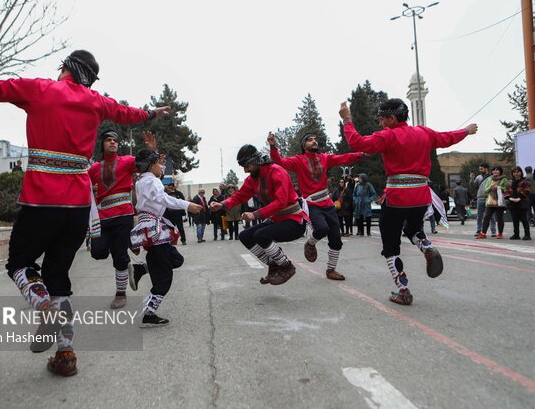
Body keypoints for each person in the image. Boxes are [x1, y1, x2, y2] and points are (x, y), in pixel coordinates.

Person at [0, 49, 170, 376]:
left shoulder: (39, 89)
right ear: (90, 78)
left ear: (66, 67)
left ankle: (44, 307)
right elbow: (128, 113)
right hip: (78, 207)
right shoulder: (95, 101)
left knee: (19, 264)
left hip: (42, 199)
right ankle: (66, 355)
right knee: (57, 276)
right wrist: (152, 112)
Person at [339, 98, 477, 305]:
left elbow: (357, 143)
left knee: (391, 246)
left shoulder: (389, 135)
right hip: (421, 195)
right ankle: (427, 247)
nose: (380, 124)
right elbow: (447, 138)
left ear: (392, 118)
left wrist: (347, 119)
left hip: (396, 196)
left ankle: (403, 289)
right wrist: (466, 130)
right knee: (414, 229)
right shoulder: (423, 132)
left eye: (382, 119)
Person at [268, 131, 363, 280]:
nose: (314, 141)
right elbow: (279, 161)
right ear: (303, 145)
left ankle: (331, 270)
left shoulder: (325, 158)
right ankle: (310, 243)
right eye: (310, 140)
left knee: (336, 239)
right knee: (321, 228)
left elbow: (343, 158)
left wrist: (361, 154)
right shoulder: (298, 160)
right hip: (312, 204)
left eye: (315, 139)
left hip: (328, 203)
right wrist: (273, 147)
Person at [210, 144, 307, 285]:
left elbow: (281, 202)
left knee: (260, 235)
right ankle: (273, 266)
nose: (245, 170)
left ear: (256, 161)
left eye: (247, 166)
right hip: (276, 220)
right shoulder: (252, 179)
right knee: (245, 236)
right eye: (243, 167)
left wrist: (255, 215)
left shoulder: (277, 171)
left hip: (294, 221)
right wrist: (222, 204)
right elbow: (239, 196)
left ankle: (287, 266)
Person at [130, 149, 202, 327]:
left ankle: (141, 269)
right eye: (158, 163)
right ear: (150, 165)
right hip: (155, 229)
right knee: (164, 276)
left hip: (152, 226)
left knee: (176, 259)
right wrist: (187, 205)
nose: (161, 166)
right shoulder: (151, 180)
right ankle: (149, 313)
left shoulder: (142, 181)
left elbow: (158, 193)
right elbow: (162, 198)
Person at [88, 130, 152, 309]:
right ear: (102, 144)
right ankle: (130, 242)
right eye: (108, 140)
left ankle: (120, 294)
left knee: (119, 256)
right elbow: (81, 183)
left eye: (115, 140)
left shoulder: (128, 161)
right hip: (102, 217)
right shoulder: (94, 168)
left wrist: (151, 149)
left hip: (123, 214)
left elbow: (147, 164)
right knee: (97, 252)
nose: (112, 143)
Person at [476, 166, 508, 239]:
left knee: (499, 218)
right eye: (494, 170)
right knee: (486, 217)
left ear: (500, 171)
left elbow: (506, 189)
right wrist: (490, 187)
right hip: (490, 200)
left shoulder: (504, 179)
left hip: (499, 201)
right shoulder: (490, 179)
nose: (495, 171)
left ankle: (500, 233)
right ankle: (483, 233)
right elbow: (486, 190)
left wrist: (498, 187)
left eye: (497, 170)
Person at [505, 166, 531, 240]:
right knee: (515, 220)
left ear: (521, 172)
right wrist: (509, 198)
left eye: (518, 172)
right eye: (514, 172)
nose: (516, 174)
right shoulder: (510, 182)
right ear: (512, 173)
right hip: (512, 203)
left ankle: (527, 235)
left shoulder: (525, 181)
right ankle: (516, 234)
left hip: (522, 202)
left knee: (524, 219)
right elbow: (506, 191)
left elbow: (527, 190)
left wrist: (519, 198)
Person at [471, 163, 497, 237]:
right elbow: (473, 186)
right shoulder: (478, 177)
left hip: (489, 197)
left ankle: (493, 231)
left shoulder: (492, 177)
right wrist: (472, 178)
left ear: (486, 168)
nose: (480, 170)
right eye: (480, 169)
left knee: (491, 215)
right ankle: (479, 230)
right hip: (480, 197)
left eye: (482, 168)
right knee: (479, 215)